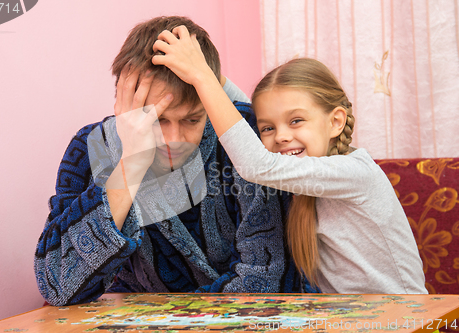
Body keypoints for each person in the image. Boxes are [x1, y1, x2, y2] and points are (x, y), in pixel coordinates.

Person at [34, 16, 304, 307]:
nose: (175, 138)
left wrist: (170, 315)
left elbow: (268, 280)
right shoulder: (91, 148)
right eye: (157, 120)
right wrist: (131, 163)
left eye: (192, 119)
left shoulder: (245, 134)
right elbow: (58, 286)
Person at [153, 25, 427, 294]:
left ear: (335, 122)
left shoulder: (354, 173)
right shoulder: (301, 171)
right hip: (345, 318)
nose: (281, 136)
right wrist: (209, 72)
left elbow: (255, 165)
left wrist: (203, 76)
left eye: (296, 121)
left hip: (400, 317)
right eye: (268, 128)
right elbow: (244, 118)